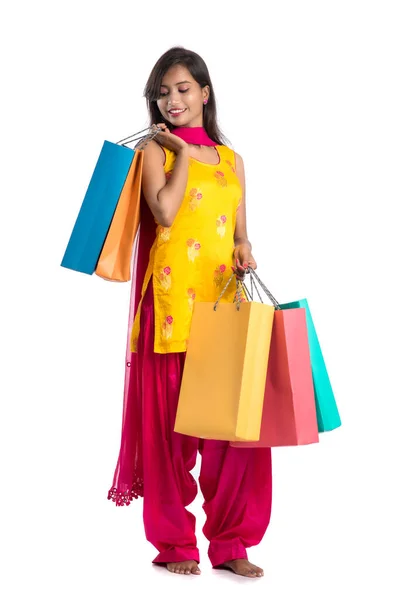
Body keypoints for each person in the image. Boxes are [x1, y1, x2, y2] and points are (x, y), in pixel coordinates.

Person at [107, 46, 272, 578]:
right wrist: (177, 149)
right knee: (171, 433)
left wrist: (246, 252)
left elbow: (240, 234)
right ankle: (175, 543)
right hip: (173, 307)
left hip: (223, 307)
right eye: (163, 91)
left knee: (232, 433)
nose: (173, 99)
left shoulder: (233, 161)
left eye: (183, 89)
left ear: (205, 93)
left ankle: (232, 544)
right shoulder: (157, 150)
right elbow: (165, 211)